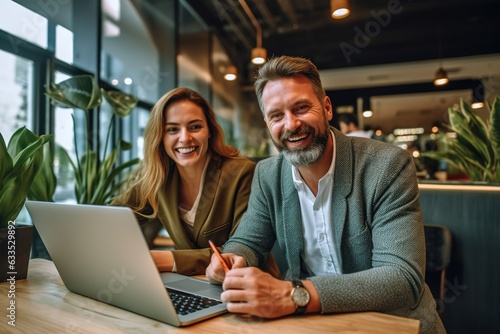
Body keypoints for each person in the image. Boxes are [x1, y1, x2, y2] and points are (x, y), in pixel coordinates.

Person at [205, 56, 445, 334]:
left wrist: (294, 295)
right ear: (267, 123)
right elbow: (248, 240)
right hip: (312, 325)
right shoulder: (267, 174)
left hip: (391, 323)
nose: (291, 124)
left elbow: (401, 278)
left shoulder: (387, 165)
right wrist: (233, 257)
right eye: (277, 115)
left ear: (327, 107)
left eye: (302, 108)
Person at [111, 87, 279, 277]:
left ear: (209, 131)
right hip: (191, 285)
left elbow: (241, 252)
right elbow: (111, 219)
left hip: (248, 286)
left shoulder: (241, 173)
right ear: (160, 136)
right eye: (173, 129)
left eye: (195, 127)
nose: (185, 138)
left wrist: (167, 259)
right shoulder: (157, 175)